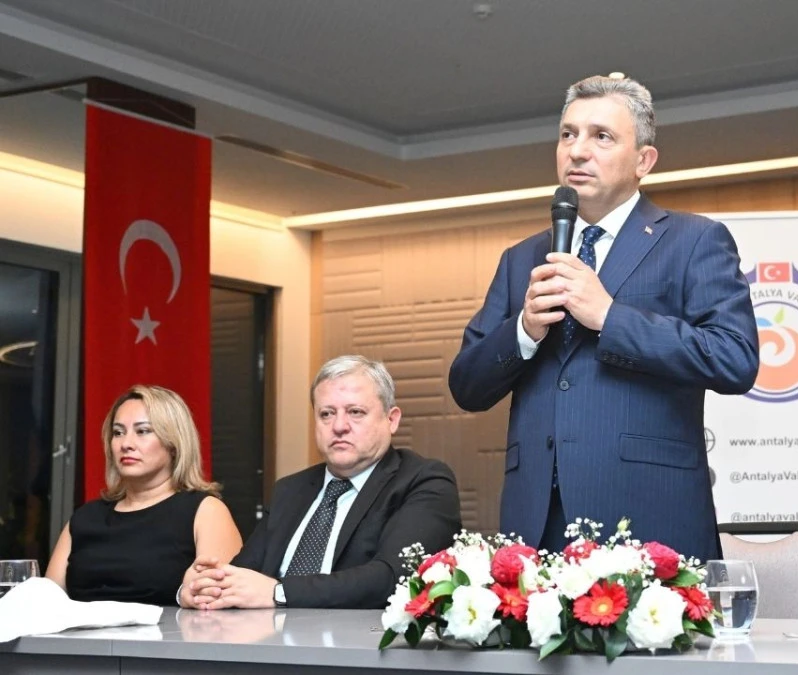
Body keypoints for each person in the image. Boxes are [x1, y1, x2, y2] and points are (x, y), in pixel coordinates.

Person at [448, 75, 759, 562]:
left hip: (650, 517)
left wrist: (610, 317)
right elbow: (467, 386)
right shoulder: (521, 258)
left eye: (602, 136)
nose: (577, 151)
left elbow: (734, 358)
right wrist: (525, 331)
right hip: (539, 524)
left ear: (643, 161)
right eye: (568, 134)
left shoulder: (694, 240)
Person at [184, 355, 461, 609]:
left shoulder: (423, 481)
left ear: (392, 420)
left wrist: (280, 592)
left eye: (355, 412)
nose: (339, 426)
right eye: (326, 414)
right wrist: (205, 588)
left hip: (358, 642)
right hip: (264, 637)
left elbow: (393, 578)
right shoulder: (290, 490)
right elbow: (245, 575)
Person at [45, 385, 242, 605]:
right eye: (118, 433)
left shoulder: (206, 512)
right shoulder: (85, 517)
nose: (126, 444)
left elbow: (219, 604)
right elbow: (46, 603)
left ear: (173, 444)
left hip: (169, 629)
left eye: (143, 431)